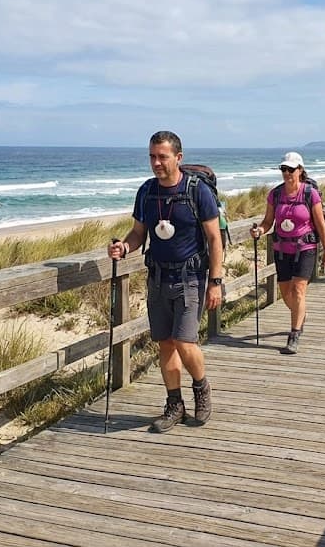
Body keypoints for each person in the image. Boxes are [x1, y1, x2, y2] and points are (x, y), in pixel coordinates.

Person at [107, 130, 223, 433]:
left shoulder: (198, 191)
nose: (156, 162)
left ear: (178, 158)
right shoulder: (146, 192)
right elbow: (137, 234)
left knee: (185, 342)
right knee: (166, 345)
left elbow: (214, 238)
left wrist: (216, 281)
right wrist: (124, 247)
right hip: (157, 279)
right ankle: (174, 405)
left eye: (162, 156)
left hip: (190, 279)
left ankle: (201, 388)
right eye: (152, 156)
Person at [250, 152, 325, 354]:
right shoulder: (275, 194)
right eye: (283, 169)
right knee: (286, 293)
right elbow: (268, 221)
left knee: (298, 290)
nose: (286, 173)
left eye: (291, 169)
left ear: (300, 171)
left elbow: (321, 225)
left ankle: (294, 335)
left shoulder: (309, 194)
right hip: (281, 250)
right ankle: (300, 313)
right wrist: (259, 230)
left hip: (305, 248)